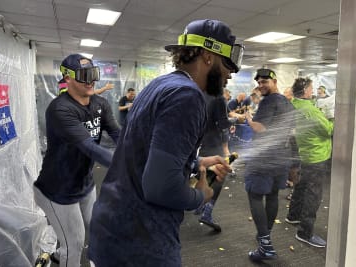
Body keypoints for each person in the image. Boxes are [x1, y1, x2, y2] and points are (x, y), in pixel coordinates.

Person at [88, 19, 243, 266]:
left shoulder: (161, 85)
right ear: (207, 56)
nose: (230, 73)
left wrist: (196, 162)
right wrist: (199, 196)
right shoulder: (187, 97)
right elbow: (160, 188)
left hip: (113, 229)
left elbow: (146, 151)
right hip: (140, 242)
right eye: (227, 63)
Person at [33, 54, 120, 267]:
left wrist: (141, 153)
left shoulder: (100, 103)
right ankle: (63, 253)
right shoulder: (60, 109)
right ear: (68, 78)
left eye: (93, 75)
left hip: (85, 184)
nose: (91, 81)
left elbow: (119, 135)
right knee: (75, 243)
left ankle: (65, 254)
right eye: (84, 76)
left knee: (96, 227)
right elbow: (89, 148)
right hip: (58, 191)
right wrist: (127, 166)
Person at [244, 68, 295, 261]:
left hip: (264, 158)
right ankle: (265, 234)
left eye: (265, 81)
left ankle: (265, 244)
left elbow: (260, 128)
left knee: (255, 195)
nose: (261, 85)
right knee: (272, 195)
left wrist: (248, 118)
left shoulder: (269, 102)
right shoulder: (286, 102)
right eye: (259, 82)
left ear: (274, 82)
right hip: (281, 157)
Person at [285, 77, 334, 248]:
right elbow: (328, 129)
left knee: (301, 186)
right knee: (314, 194)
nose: (313, 91)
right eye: (311, 88)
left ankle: (293, 216)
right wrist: (334, 119)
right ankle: (305, 233)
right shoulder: (311, 110)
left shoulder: (296, 105)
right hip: (317, 156)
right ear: (305, 90)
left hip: (305, 153)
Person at [194, 78, 235, 232]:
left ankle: (198, 204)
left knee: (202, 172)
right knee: (218, 176)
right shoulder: (218, 97)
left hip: (201, 140)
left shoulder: (201, 93)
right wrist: (236, 120)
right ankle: (207, 212)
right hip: (214, 142)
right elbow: (223, 123)